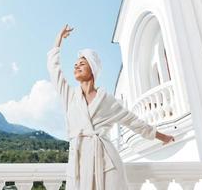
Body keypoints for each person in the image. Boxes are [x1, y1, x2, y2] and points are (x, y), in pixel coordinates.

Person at [46, 24, 175, 190]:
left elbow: (134, 121)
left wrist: (163, 137)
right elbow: (53, 69)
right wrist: (59, 39)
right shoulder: (69, 95)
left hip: (106, 162)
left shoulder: (107, 101)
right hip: (79, 162)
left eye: (82, 64)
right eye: (75, 64)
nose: (76, 66)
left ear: (92, 69)